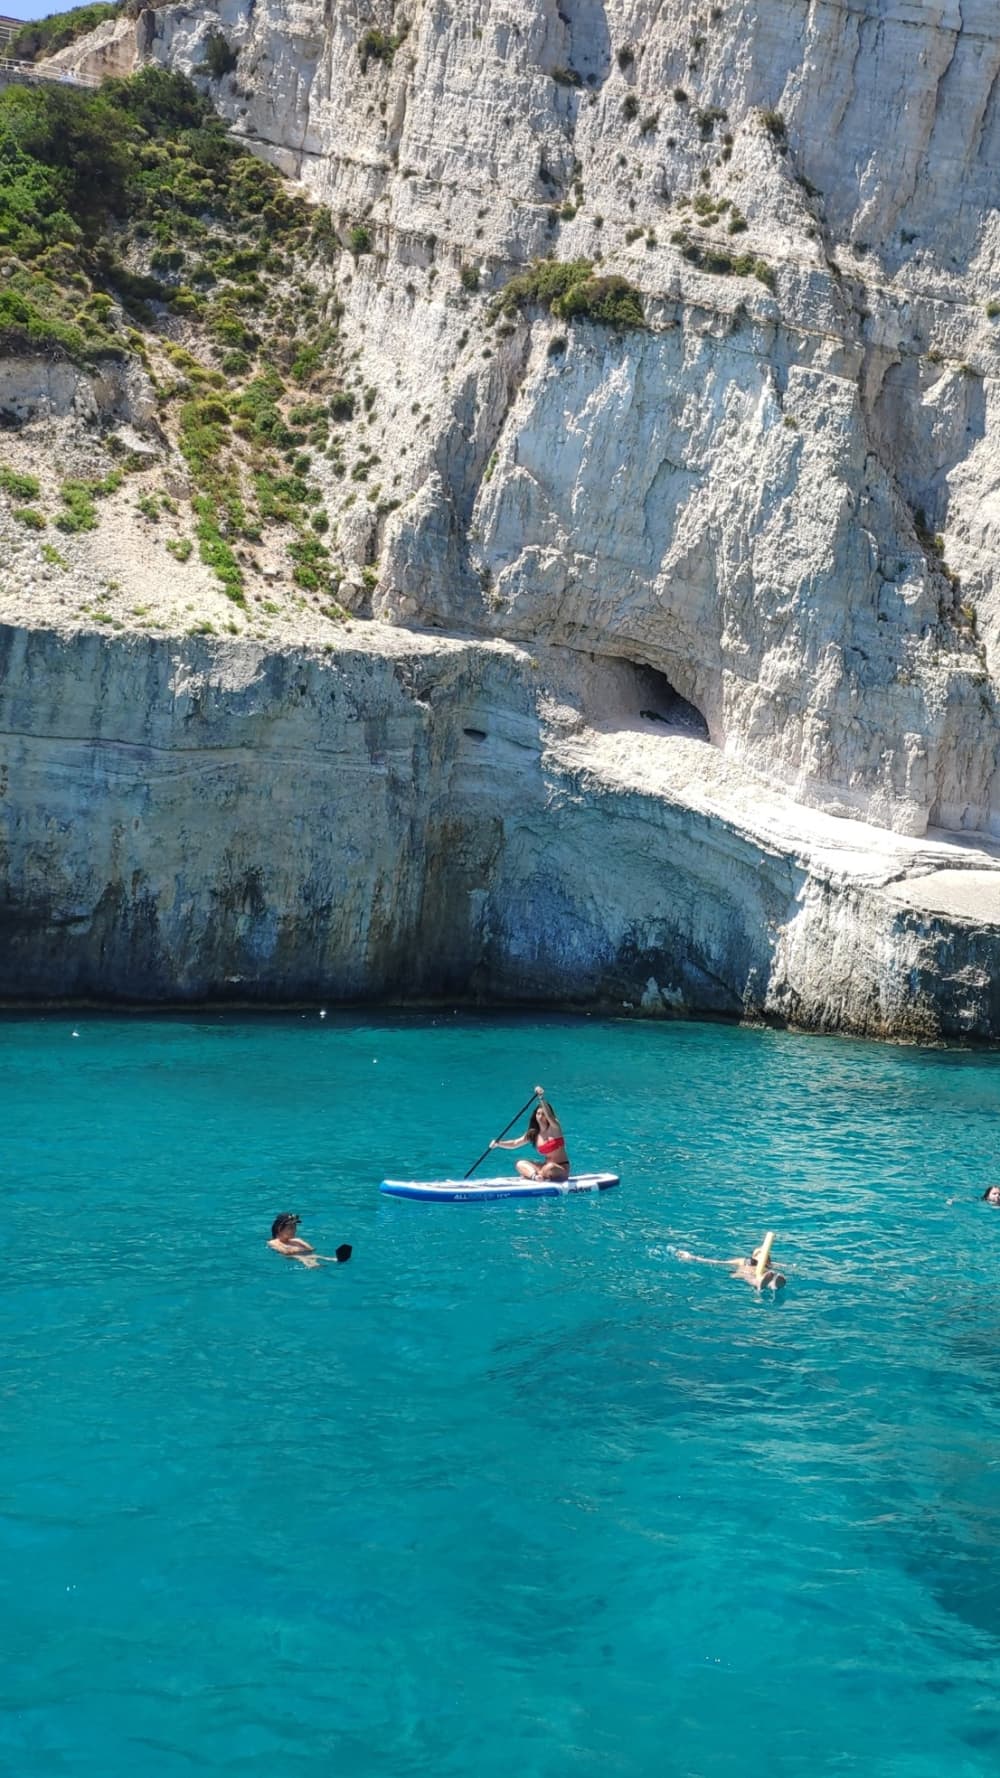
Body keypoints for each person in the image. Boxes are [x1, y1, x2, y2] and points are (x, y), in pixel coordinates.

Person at [490, 1086, 570, 1181]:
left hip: (560, 1169)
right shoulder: (534, 1133)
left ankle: (537, 1175)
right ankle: (535, 1177)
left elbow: (550, 1116)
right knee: (520, 1163)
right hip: (544, 1167)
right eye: (538, 1113)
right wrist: (498, 1144)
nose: (540, 1116)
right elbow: (515, 1143)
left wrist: (541, 1098)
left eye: (543, 1114)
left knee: (550, 1167)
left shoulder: (555, 1127)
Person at [676, 1231, 786, 1291]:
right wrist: (692, 1257)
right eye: (758, 1254)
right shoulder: (743, 1261)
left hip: (763, 1275)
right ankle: (759, 1284)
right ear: (752, 1256)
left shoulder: (770, 1266)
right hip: (743, 1274)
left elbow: (787, 1267)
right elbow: (718, 1262)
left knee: (772, 1275)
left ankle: (773, 1284)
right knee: (749, 1276)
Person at [268, 1213, 352, 1268]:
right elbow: (285, 1254)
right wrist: (303, 1258)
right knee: (305, 1259)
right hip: (296, 1262)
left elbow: (311, 1250)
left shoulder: (297, 1240)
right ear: (279, 1228)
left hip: (308, 1257)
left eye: (295, 1227)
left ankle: (334, 1259)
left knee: (317, 1257)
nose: (294, 1230)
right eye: (291, 1228)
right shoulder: (273, 1243)